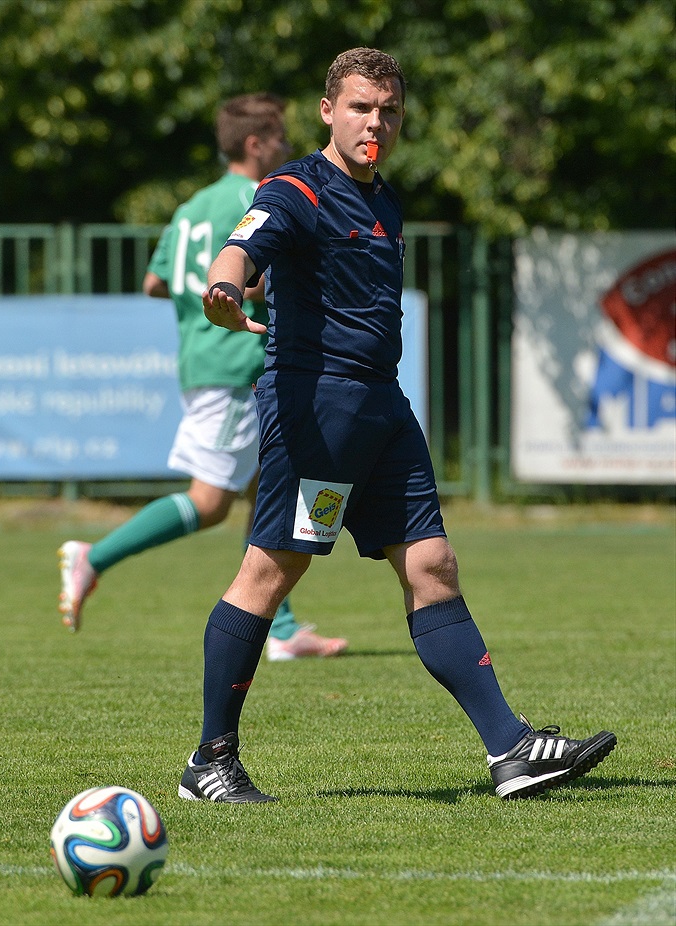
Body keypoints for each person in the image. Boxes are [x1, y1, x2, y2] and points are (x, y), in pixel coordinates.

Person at [177, 48, 617, 804]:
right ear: (327, 111)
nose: (374, 121)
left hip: (381, 410)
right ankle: (210, 761)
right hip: (319, 413)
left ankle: (511, 750)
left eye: (388, 110)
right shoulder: (295, 188)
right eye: (359, 107)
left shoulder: (385, 200)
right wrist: (225, 285)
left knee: (433, 564)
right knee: (271, 573)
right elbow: (245, 246)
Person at [57, 92, 348, 662]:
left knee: (274, 486)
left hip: (203, 358)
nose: (289, 149)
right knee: (212, 501)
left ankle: (282, 628)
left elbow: (153, 282)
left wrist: (199, 287)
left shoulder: (191, 205)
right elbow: (258, 274)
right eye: (282, 140)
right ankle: (93, 556)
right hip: (237, 362)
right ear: (255, 143)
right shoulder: (260, 197)